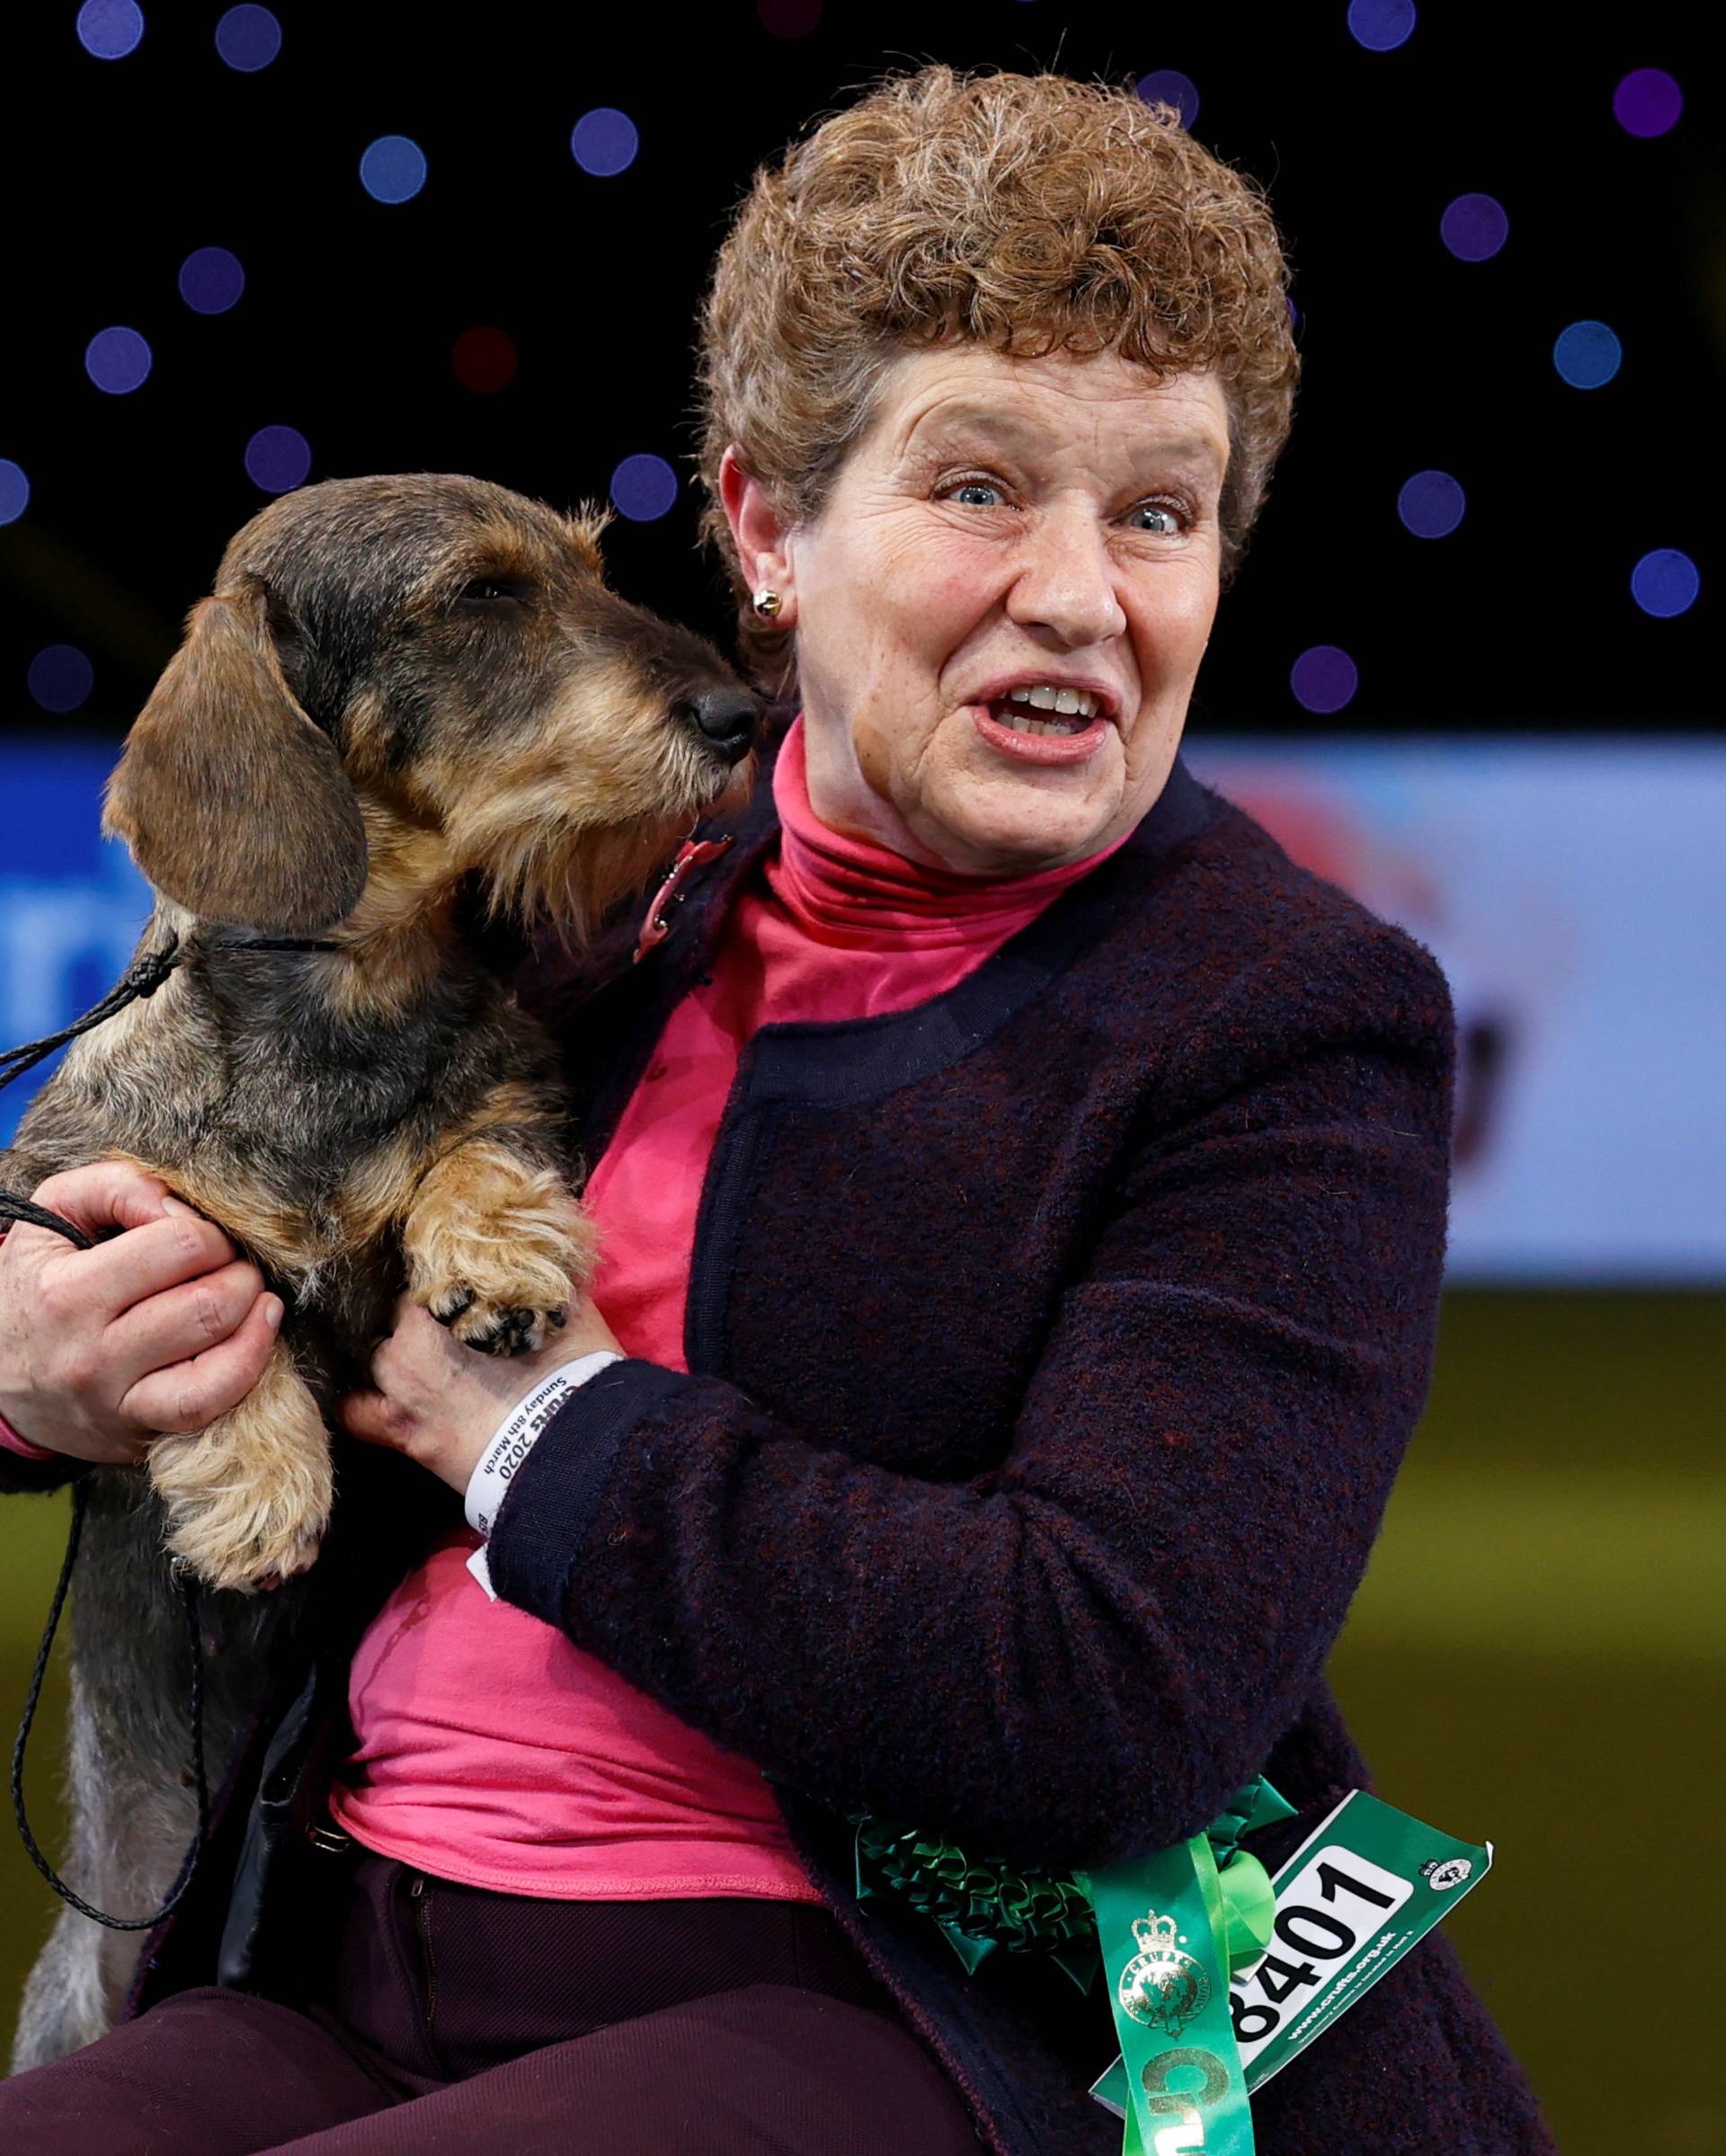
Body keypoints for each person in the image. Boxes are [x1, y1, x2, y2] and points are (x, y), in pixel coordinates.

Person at [0, 64, 1553, 2155]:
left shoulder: (1284, 1022)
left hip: (895, 2009)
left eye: (1160, 509)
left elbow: (1112, 1692)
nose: (1086, 594)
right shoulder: (558, 911)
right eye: (983, 486)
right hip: (341, 1941)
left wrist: (543, 1430)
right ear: (765, 528)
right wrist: (34, 1364)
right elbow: (158, 1157)